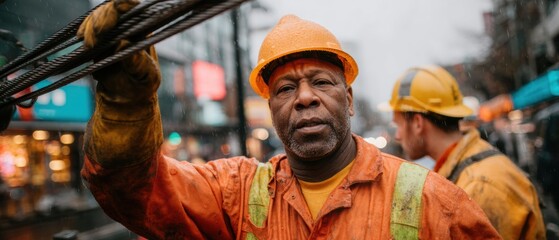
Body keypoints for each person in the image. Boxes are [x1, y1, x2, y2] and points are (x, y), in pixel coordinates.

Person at [78, 0, 501, 239]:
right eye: (285, 89)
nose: (303, 98)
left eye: (322, 82)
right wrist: (125, 107)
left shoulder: (435, 204)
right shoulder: (236, 194)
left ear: (349, 99)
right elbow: (135, 191)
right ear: (273, 108)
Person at [388, 65, 546, 240]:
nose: (397, 136)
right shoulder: (466, 171)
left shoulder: (479, 187)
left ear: (418, 123)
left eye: (399, 125)